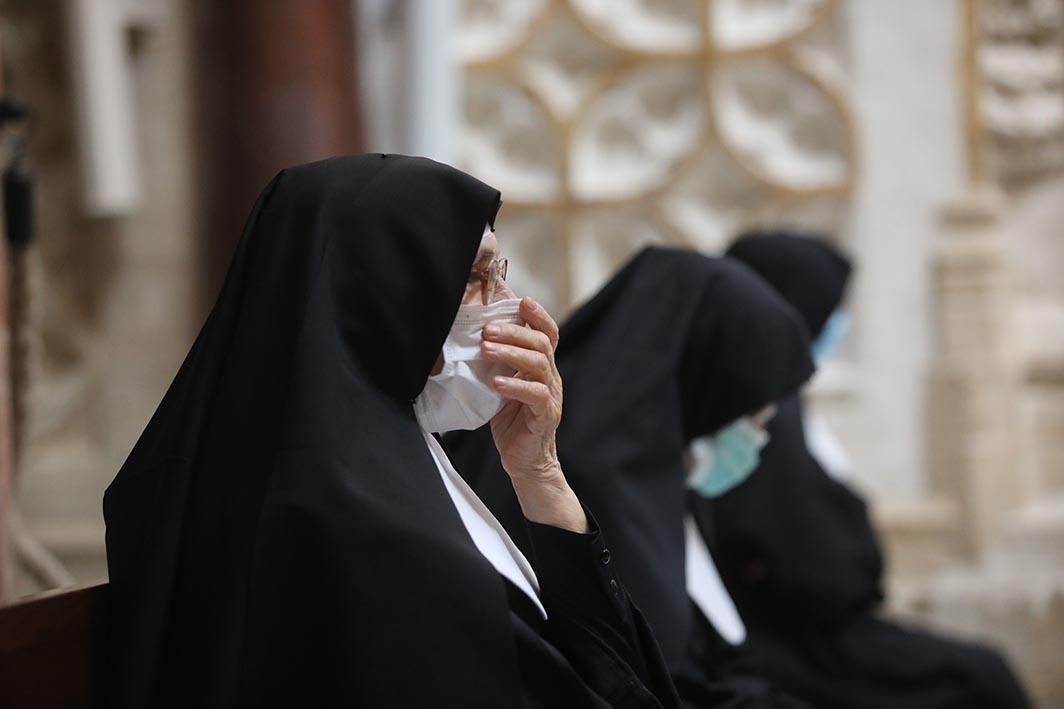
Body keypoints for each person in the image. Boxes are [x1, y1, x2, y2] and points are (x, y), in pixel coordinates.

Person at [103, 154, 680, 708]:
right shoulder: (364, 520)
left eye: (500, 272)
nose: (510, 305)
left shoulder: (396, 459)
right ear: (384, 293)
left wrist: (541, 477)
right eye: (478, 275)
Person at [448, 247, 816, 708]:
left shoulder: (666, 469)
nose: (760, 433)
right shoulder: (589, 479)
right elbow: (636, 675)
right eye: (754, 411)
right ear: (709, 381)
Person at [707, 229, 1031, 709]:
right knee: (981, 678)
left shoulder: (779, 397)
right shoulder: (759, 405)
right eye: (828, 309)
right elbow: (808, 562)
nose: (838, 325)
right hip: (793, 640)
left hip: (805, 628)